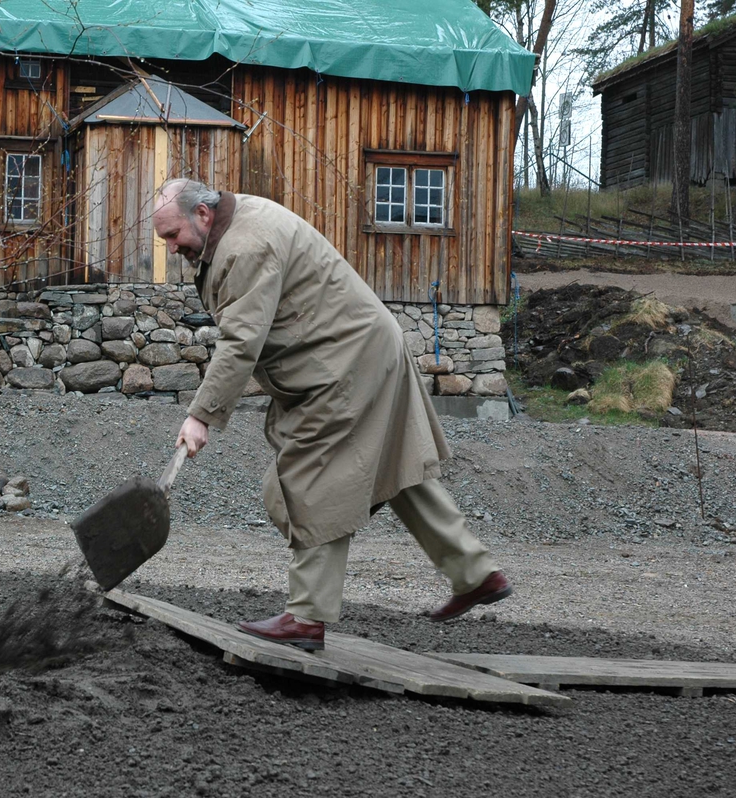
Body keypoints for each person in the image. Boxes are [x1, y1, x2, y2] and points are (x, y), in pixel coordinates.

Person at [151, 178, 512, 652]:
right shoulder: (237, 220)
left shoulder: (244, 246)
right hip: (361, 349)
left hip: (345, 364)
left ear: (201, 215)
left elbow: (241, 342)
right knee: (398, 469)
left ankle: (306, 617)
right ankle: (475, 572)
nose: (172, 248)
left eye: (173, 235)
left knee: (306, 479)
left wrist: (201, 415)